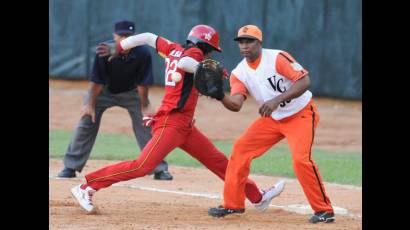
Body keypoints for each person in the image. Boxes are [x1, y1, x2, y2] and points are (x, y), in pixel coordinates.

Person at [70, 24, 285, 214]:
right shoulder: (193, 53)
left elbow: (146, 37)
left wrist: (120, 46)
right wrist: (204, 70)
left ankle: (257, 196)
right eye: (209, 51)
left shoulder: (173, 48)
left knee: (220, 163)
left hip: (185, 127)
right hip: (171, 123)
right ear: (204, 46)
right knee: (142, 166)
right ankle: (88, 186)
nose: (209, 55)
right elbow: (185, 64)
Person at [208, 25, 335, 223]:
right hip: (273, 120)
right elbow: (236, 104)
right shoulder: (239, 73)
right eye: (241, 42)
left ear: (260, 43)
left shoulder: (277, 58)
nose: (244, 46)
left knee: (301, 160)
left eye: (249, 41)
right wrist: (219, 96)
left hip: (300, 114)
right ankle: (233, 205)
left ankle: (324, 210)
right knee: (241, 149)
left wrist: (276, 100)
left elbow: (304, 81)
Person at [57, 20, 173, 181]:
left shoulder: (143, 53)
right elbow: (96, 81)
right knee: (87, 120)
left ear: (135, 37)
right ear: (114, 35)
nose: (125, 39)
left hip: (132, 93)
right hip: (103, 91)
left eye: (129, 35)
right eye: (121, 35)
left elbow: (143, 83)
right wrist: (89, 105)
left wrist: (145, 106)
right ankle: (70, 167)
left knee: (146, 123)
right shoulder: (104, 50)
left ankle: (159, 168)